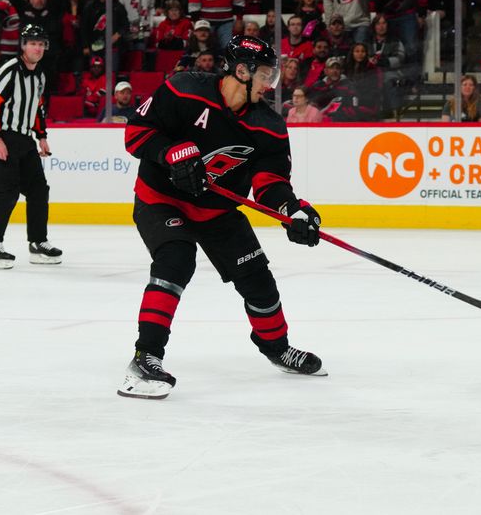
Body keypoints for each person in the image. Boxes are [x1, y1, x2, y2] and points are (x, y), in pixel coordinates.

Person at [118, 35, 326, 400]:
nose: (270, 84)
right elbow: (136, 134)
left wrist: (292, 210)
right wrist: (170, 153)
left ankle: (276, 348)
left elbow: (270, 183)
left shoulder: (270, 125)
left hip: (216, 209)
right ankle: (145, 357)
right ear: (241, 71)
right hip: (161, 199)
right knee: (176, 259)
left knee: (259, 281)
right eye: (265, 75)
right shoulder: (185, 89)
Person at [0, 24, 62, 269]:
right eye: (32, 43)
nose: (37, 48)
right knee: (7, 193)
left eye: (41, 44)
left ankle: (38, 243)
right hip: (3, 138)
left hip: (25, 141)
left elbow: (36, 108)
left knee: (38, 190)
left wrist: (42, 136)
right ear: (23, 45)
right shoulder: (9, 70)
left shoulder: (40, 75)